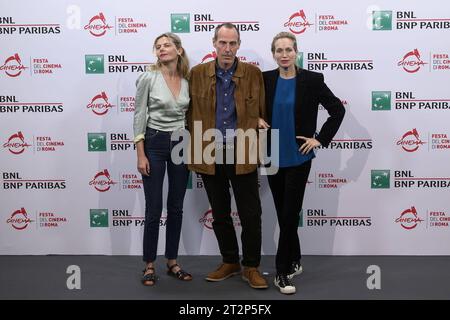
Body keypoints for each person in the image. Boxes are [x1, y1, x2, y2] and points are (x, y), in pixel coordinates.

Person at [263, 32, 345, 294]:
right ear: (273, 53)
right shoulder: (266, 79)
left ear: (296, 51)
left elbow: (337, 110)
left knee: (289, 216)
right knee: (283, 214)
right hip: (273, 157)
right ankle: (295, 259)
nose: (284, 54)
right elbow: (250, 106)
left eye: (288, 49)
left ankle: (282, 272)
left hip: (299, 157)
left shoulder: (312, 79)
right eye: (279, 50)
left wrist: (319, 139)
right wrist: (254, 119)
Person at [187, 23, 268, 289]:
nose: (227, 48)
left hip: (242, 150)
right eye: (223, 43)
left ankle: (252, 266)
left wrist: (256, 119)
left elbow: (262, 111)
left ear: (238, 45)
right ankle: (230, 261)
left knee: (251, 213)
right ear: (214, 43)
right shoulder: (197, 74)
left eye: (233, 43)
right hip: (209, 152)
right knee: (220, 213)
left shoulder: (253, 74)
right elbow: (189, 114)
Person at [134, 32, 192, 286]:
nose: (162, 49)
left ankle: (172, 262)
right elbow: (139, 115)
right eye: (158, 46)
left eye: (167, 45)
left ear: (179, 50)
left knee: (176, 207)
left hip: (181, 142)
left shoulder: (188, 80)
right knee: (154, 208)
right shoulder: (148, 77)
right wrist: (140, 153)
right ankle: (149, 264)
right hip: (154, 143)